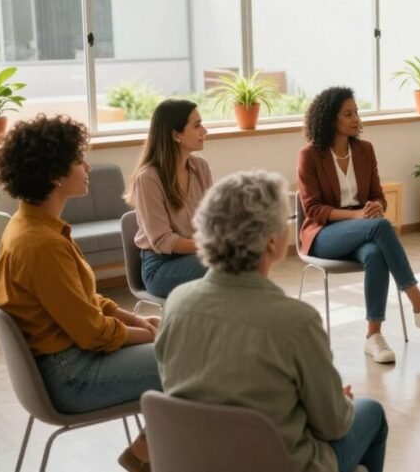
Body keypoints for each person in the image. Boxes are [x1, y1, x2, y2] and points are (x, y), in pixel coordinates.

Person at [156, 170, 387, 472]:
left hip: (198, 461)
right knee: (371, 412)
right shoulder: (296, 322)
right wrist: (338, 404)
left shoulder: (176, 305)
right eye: (285, 221)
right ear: (270, 242)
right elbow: (334, 426)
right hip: (282, 464)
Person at [0, 115, 160, 472]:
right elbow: (91, 333)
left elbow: (84, 299)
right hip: (72, 375)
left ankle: (150, 453)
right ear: (54, 174)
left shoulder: (34, 227)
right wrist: (147, 335)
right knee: (198, 361)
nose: (87, 166)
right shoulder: (40, 244)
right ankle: (151, 455)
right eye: (78, 159)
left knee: (185, 348)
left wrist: (133, 319)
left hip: (69, 360)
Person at [298, 86, 420, 364]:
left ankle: (373, 336)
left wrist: (375, 207)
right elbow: (313, 209)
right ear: (330, 119)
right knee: (381, 227)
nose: (356, 118)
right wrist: (358, 217)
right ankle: (418, 303)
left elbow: (377, 196)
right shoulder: (310, 155)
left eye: (356, 112)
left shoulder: (364, 150)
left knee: (375, 253)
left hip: (361, 228)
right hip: (324, 234)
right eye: (348, 114)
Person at [127, 99, 212, 297]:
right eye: (197, 125)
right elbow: (163, 241)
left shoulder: (201, 167)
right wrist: (214, 247)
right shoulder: (148, 178)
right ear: (175, 135)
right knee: (223, 264)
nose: (205, 131)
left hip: (197, 254)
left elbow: (212, 218)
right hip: (160, 267)